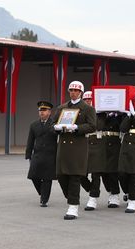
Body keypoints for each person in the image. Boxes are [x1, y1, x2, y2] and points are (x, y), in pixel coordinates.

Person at [52, 81, 97, 220]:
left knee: (74, 177)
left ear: (81, 93)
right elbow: (53, 123)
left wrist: (77, 128)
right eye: (71, 90)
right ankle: (71, 198)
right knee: (61, 176)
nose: (73, 92)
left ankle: (73, 207)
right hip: (64, 146)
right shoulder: (62, 107)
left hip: (78, 145)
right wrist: (55, 128)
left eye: (76, 90)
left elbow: (92, 126)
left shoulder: (87, 108)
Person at [80, 91, 123, 210]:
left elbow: (100, 126)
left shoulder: (102, 114)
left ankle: (110, 195)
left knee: (106, 172)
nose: (88, 101)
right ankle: (92, 191)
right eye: (86, 99)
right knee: (81, 173)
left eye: (90, 99)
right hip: (87, 144)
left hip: (103, 144)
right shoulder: (82, 113)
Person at [25, 101, 57, 207]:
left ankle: (44, 200)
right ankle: (42, 192)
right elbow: (30, 140)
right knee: (33, 176)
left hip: (50, 155)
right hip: (37, 154)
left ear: (49, 112)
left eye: (44, 110)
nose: (41, 112)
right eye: (40, 110)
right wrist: (28, 154)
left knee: (47, 178)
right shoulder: (34, 124)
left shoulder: (54, 124)